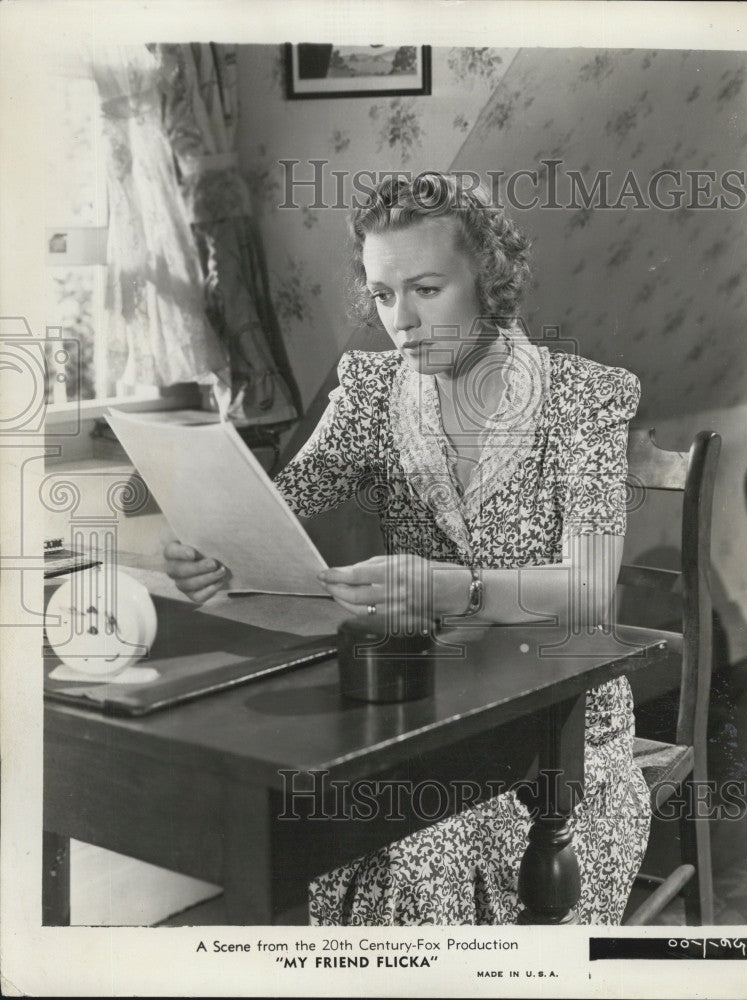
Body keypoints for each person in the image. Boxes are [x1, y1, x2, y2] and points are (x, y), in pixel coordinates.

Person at [164, 171, 651, 925]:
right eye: (384, 296)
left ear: (489, 281)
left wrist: (452, 588)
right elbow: (275, 514)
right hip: (421, 716)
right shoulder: (371, 392)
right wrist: (215, 547)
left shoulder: (583, 399)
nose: (402, 321)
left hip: (560, 734)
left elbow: (590, 590)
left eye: (426, 289)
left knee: (424, 852)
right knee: (359, 837)